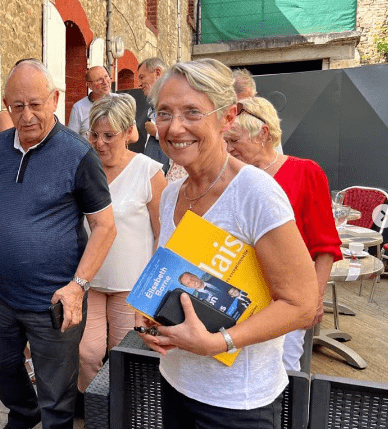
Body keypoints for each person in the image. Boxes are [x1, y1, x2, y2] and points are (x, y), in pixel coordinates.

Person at [137, 59, 318, 429]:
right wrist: (152, 313)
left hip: (237, 403)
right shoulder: (172, 195)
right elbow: (175, 278)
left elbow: (301, 304)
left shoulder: (255, 193)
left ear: (228, 116)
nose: (175, 127)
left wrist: (219, 343)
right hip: (177, 382)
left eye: (192, 112)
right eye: (164, 113)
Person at [0, 59, 116, 429]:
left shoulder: (79, 154)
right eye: (17, 106)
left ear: (54, 99)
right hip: (2, 296)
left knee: (57, 396)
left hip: (53, 303)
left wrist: (77, 287)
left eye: (36, 104)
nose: (27, 116)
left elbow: (104, 227)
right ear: (6, 104)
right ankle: (23, 413)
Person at [224, 96, 343, 371]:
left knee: (283, 374)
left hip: (286, 300)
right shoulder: (230, 177)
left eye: (235, 141)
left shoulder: (305, 172)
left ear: (263, 133)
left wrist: (315, 298)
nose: (228, 149)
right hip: (236, 297)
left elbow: (324, 245)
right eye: (225, 141)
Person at [77, 93, 166, 407]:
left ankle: (123, 412)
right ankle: (97, 409)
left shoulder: (149, 171)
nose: (100, 143)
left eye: (108, 135)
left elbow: (162, 233)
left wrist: (154, 291)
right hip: (89, 282)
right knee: (86, 353)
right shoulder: (83, 168)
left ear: (128, 132)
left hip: (132, 286)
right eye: (94, 134)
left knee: (123, 354)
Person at [135, 58, 171, 175]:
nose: (139, 84)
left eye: (142, 77)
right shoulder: (154, 101)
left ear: (158, 73)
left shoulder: (173, 99)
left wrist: (156, 133)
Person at [67, 65, 112, 138]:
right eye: (99, 80)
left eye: (106, 76)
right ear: (89, 85)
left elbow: (133, 136)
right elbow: (71, 139)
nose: (105, 82)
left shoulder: (121, 101)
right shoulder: (79, 108)